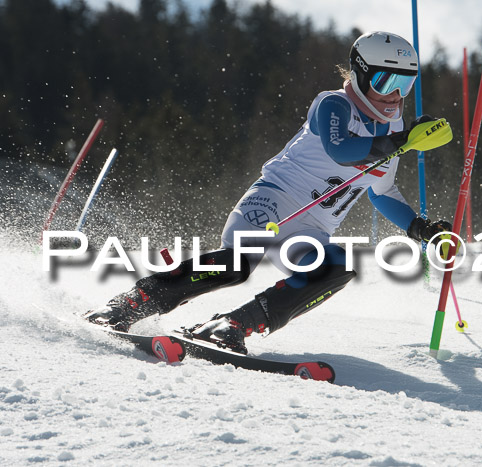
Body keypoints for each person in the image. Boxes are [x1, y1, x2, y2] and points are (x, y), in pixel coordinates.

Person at [85, 31, 452, 354]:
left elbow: (382, 192)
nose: (395, 96)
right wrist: (402, 140)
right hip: (273, 200)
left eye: (405, 85)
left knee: (338, 268)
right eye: (386, 83)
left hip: (311, 230)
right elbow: (342, 149)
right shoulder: (334, 105)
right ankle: (132, 303)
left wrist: (420, 229)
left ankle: (233, 326)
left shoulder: (396, 129)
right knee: (237, 264)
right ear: (359, 75)